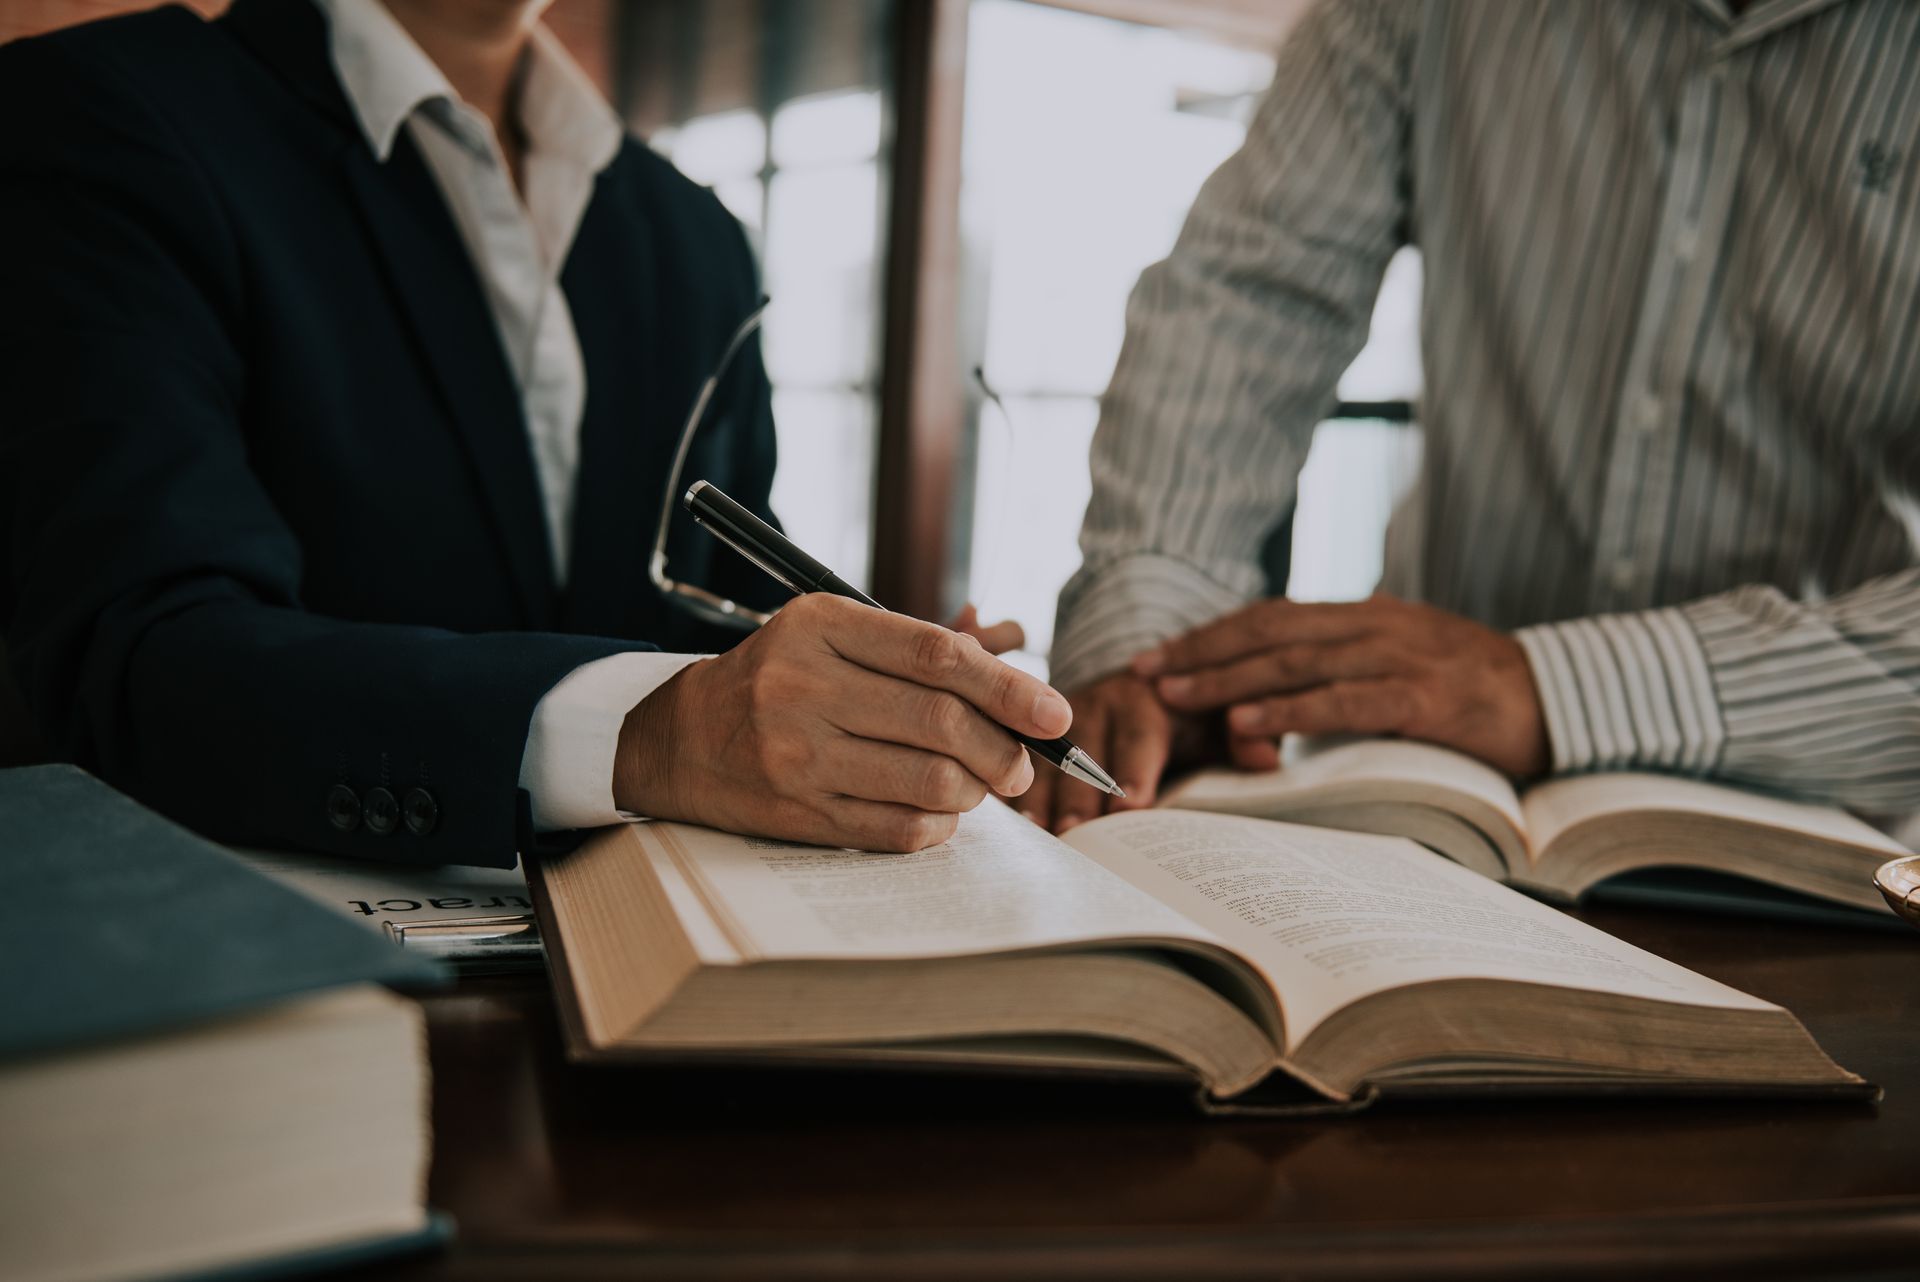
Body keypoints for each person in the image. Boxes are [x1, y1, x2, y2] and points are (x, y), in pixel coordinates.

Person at [0, 0, 1064, 863]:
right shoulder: (104, 115)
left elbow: (711, 611)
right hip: (277, 1001)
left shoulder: (691, 236)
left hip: (682, 985)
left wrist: (887, 692)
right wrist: (655, 733)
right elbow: (138, 651)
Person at [1022, 0, 1920, 833]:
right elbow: (1252, 298)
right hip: (1425, 803)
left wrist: (1557, 689)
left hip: (1833, 843)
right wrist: (1155, 646)